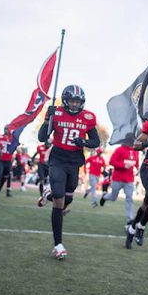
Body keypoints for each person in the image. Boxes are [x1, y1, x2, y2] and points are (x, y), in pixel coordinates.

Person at [37, 84, 100, 260]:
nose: (74, 104)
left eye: (77, 101)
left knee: (68, 198)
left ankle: (48, 195)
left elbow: (95, 141)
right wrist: (47, 119)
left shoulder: (88, 117)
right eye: (71, 100)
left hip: (74, 161)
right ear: (65, 100)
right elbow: (42, 138)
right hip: (58, 158)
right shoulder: (55, 113)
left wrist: (84, 142)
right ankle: (58, 245)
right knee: (59, 197)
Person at [99, 143, 139, 223]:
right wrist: (123, 165)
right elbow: (112, 162)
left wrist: (137, 169)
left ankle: (130, 218)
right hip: (118, 178)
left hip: (129, 179)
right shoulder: (119, 149)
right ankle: (105, 197)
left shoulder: (136, 151)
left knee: (129, 198)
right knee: (113, 197)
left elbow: (136, 163)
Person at [0, 126, 14, 202]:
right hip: (0, 159)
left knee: (4, 177)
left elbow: (15, 148)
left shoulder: (13, 138)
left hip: (8, 160)